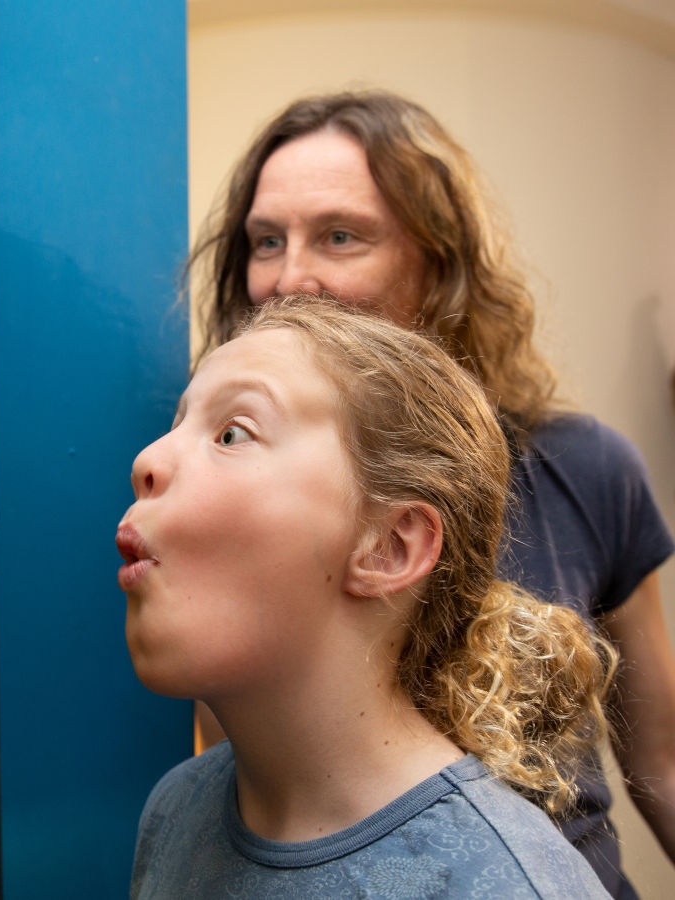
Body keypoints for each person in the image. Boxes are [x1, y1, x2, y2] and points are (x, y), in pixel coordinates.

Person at [186, 89, 675, 898]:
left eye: (340, 236)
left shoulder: (588, 467)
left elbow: (660, 760)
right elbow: (234, 775)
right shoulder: (228, 487)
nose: (287, 279)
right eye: (265, 241)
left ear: (438, 263)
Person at [119, 297, 616, 898]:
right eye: (175, 425)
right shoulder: (175, 813)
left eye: (231, 433)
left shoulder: (503, 884)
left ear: (388, 547)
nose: (146, 459)